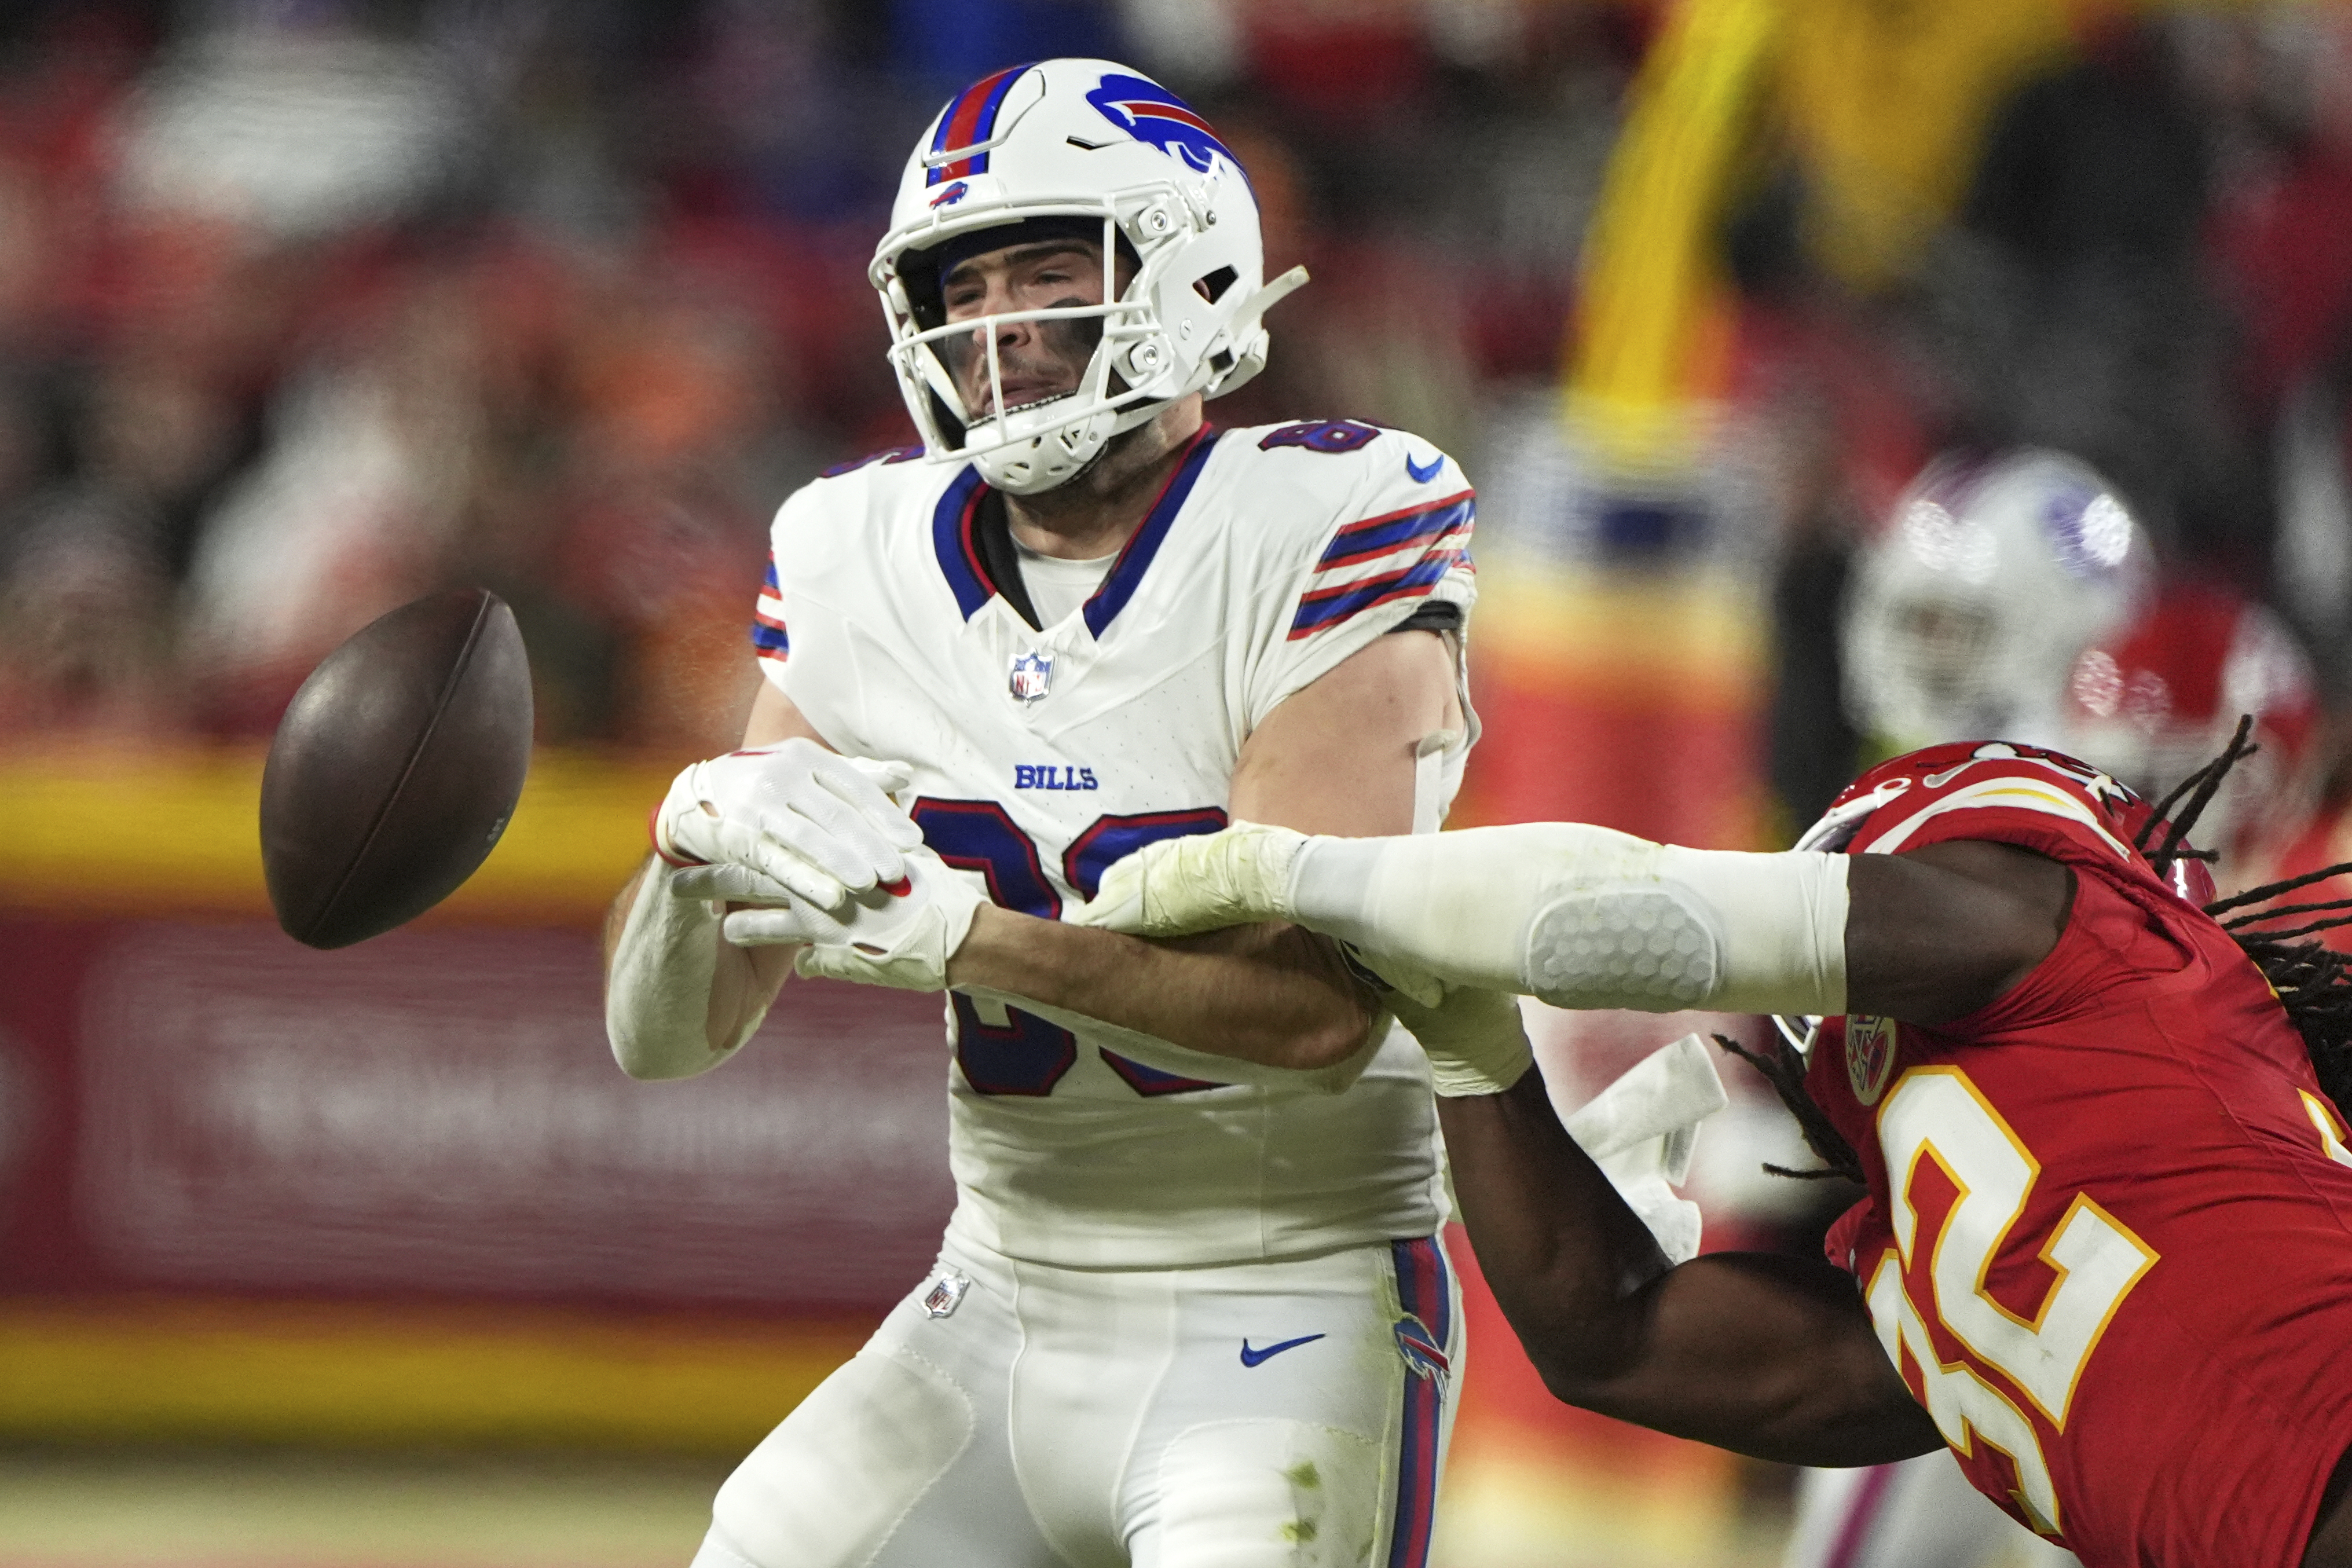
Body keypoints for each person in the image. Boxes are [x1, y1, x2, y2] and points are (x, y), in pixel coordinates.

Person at [601, 59, 1482, 1568]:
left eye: (1048, 269)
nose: (996, 330)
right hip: (997, 1294)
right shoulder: (854, 552)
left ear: (1186, 269)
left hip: (1288, 1294)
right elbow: (667, 1040)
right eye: (964, 284)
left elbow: (1309, 1014)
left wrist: (973, 939)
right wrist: (692, 855)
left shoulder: (1320, 521)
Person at [1061, 739, 2352, 1568]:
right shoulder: (1923, 1296)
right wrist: (1470, 1050)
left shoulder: (2091, 945)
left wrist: (1303, 871)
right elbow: (1612, 1337)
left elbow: (1633, 912)